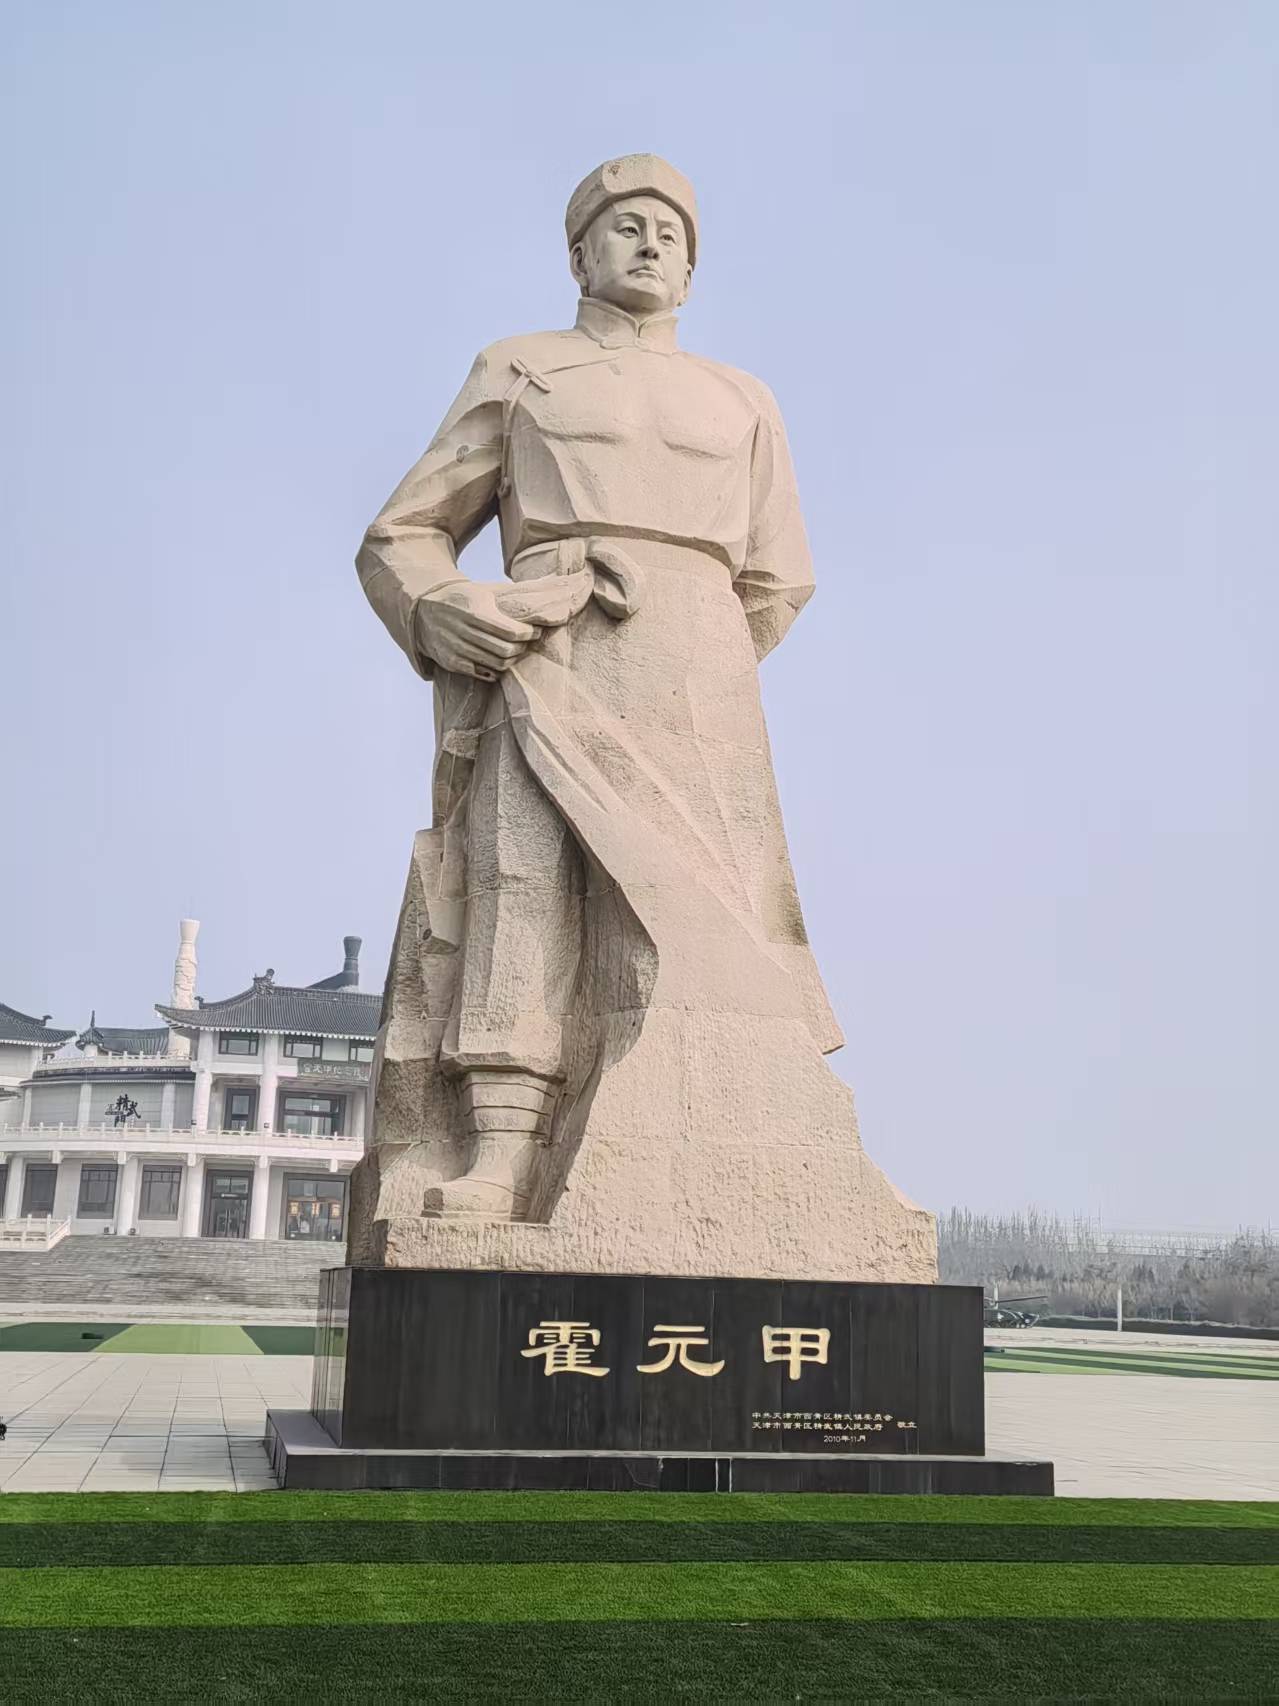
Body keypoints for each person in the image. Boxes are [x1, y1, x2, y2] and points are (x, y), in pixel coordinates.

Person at [358, 154, 836, 1220]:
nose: (650, 242)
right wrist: (440, 606)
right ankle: (501, 1148)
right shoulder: (522, 368)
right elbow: (403, 532)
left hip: (697, 680)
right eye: (625, 224)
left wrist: (694, 654)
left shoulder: (742, 399)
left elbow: (778, 577)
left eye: (671, 231)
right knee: (519, 889)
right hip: (551, 647)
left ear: (692, 269)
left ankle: (701, 1149)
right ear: (579, 254)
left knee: (697, 907)